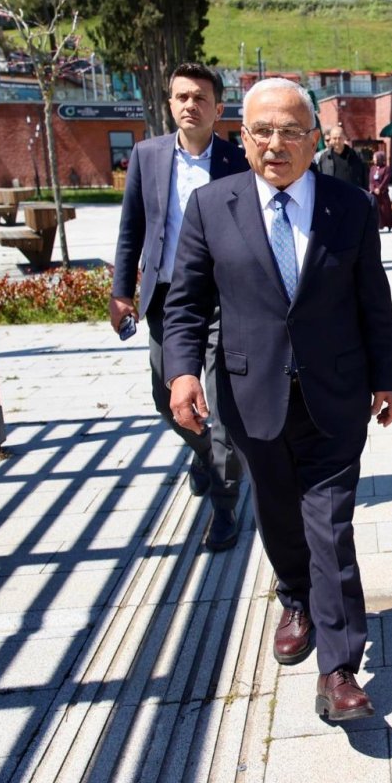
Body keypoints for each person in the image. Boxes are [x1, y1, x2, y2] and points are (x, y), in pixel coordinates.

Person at [165, 78, 392, 722]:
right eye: (263, 131)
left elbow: (373, 300)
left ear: (313, 139)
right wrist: (182, 374)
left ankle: (339, 668)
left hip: (335, 392)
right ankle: (295, 596)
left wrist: (389, 377)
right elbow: (186, 304)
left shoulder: (350, 206)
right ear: (242, 138)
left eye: (291, 131)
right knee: (276, 512)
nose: (276, 144)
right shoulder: (211, 207)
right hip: (251, 393)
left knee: (331, 525)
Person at [109, 62, 250, 552]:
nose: (191, 105)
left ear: (218, 108)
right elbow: (132, 228)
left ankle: (224, 507)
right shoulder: (147, 156)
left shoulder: (237, 161)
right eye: (182, 97)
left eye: (200, 98)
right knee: (164, 396)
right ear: (170, 103)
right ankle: (206, 452)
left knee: (223, 407)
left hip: (223, 300)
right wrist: (121, 292)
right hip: (167, 301)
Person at [368, 150, 392, 231]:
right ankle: (379, 225)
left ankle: (389, 224)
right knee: (375, 209)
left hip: (383, 192)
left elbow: (386, 180)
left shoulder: (386, 168)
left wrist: (379, 188)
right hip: (374, 192)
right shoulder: (372, 168)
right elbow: (371, 180)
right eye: (374, 158)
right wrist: (372, 188)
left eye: (375, 158)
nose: (374, 160)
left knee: (385, 209)